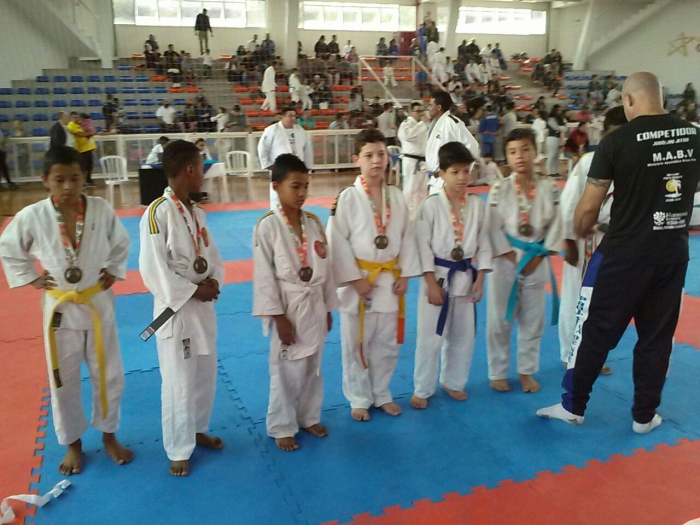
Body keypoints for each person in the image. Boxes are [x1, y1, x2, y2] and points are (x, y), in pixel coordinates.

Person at [537, 72, 700, 433]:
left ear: (628, 100)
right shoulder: (693, 135)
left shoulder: (616, 141)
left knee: (594, 330)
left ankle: (573, 406)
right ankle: (644, 416)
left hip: (622, 255)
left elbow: (587, 208)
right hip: (672, 254)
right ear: (661, 98)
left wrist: (579, 231)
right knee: (656, 339)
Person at [0, 146, 133, 475]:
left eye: (75, 178)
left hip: (97, 303)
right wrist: (31, 277)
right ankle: (72, 443)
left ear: (84, 176)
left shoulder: (100, 209)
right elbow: (9, 248)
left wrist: (114, 269)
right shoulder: (32, 216)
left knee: (110, 375)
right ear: (45, 179)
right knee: (63, 379)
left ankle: (109, 435)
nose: (68, 186)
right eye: (59, 180)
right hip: (59, 310)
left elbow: (121, 243)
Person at [139, 140, 225, 476]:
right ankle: (178, 447)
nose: (204, 173)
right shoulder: (157, 212)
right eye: (202, 167)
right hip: (176, 312)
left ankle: (197, 429)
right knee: (178, 381)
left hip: (202, 309)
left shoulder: (197, 213)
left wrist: (214, 280)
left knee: (204, 373)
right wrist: (193, 291)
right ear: (190, 170)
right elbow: (153, 269)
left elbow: (211, 255)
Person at [327, 129, 421, 421]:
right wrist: (355, 280)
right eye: (369, 155)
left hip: (389, 280)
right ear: (357, 159)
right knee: (356, 344)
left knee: (387, 344)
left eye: (381, 154)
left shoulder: (397, 196)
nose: (377, 160)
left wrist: (405, 274)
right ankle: (358, 397)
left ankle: (381, 393)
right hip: (359, 282)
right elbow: (336, 241)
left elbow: (407, 237)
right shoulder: (347, 198)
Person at [252, 154, 337, 451]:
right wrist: (278, 318)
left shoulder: (314, 222)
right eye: (295, 186)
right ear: (276, 186)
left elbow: (326, 267)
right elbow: (264, 277)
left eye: (305, 187)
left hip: (314, 302)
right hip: (288, 306)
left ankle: (308, 416)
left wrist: (328, 306)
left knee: (314, 365)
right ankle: (281, 425)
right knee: (286, 369)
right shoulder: (267, 226)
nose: (302, 193)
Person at [410, 142, 492, 409]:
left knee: (463, 336)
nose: (461, 177)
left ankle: (453, 381)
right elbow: (422, 246)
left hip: (465, 277)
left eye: (466, 171)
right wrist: (430, 282)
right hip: (438, 277)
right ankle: (422, 388)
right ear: (441, 173)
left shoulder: (478, 205)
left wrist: (481, 278)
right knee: (430, 337)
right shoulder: (431, 205)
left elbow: (485, 243)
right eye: (455, 172)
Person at [486, 128, 563, 393]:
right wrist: (510, 256)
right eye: (513, 152)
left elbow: (557, 223)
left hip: (537, 259)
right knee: (499, 319)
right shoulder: (499, 188)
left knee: (533, 319)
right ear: (507, 157)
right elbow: (492, 226)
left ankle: (526, 371)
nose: (519, 156)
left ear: (535, 152)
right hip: (505, 260)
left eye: (525, 149)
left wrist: (541, 254)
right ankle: (497, 372)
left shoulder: (549, 187)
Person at [557, 107, 628, 376]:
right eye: (616, 135)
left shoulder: (635, 162)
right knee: (575, 298)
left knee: (604, 303)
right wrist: (570, 241)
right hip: (585, 238)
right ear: (606, 134)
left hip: (616, 241)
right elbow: (569, 202)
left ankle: (593, 355)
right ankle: (569, 354)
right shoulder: (589, 161)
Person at [258, 106, 314, 208]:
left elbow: (307, 149)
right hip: (279, 167)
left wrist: (307, 167)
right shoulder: (272, 130)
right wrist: (268, 164)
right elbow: (262, 148)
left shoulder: (300, 130)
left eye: (295, 116)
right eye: (290, 116)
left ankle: (295, 212)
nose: (293, 118)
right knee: (277, 192)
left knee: (296, 191)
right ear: (282, 117)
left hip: (296, 168)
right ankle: (276, 213)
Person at [426, 91, 480, 194]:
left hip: (447, 180)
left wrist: (462, 171)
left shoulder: (452, 122)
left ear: (439, 107)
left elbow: (472, 145)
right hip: (435, 179)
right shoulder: (434, 124)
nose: (428, 108)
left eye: (430, 105)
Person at [397, 102, 428, 221]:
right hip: (411, 161)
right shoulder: (406, 124)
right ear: (411, 112)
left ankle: (419, 215)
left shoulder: (424, 125)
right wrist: (422, 124)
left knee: (421, 190)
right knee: (410, 189)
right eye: (418, 111)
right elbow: (407, 136)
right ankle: (406, 216)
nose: (421, 113)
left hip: (423, 161)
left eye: (422, 111)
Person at [67, 112, 96, 188]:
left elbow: (92, 131)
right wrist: (89, 133)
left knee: (89, 166)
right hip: (81, 150)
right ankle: (83, 182)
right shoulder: (71, 125)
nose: (77, 119)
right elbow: (79, 134)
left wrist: (90, 132)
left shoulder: (82, 123)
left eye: (77, 117)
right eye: (75, 117)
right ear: (71, 118)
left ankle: (89, 180)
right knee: (83, 167)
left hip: (89, 148)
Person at [545, 104, 566, 177]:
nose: (559, 111)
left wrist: (561, 128)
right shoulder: (551, 119)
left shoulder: (561, 118)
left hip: (559, 138)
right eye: (558, 110)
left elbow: (565, 128)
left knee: (557, 156)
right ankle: (549, 172)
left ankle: (556, 171)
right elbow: (556, 128)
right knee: (551, 155)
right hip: (552, 137)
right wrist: (561, 128)